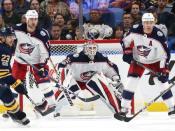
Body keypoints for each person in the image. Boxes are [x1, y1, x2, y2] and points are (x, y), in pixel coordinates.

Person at [114, 13, 175, 121]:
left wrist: (163, 69)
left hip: (155, 61)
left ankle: (172, 108)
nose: (148, 25)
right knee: (131, 82)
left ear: (154, 22)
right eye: (146, 22)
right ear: (142, 22)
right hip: (138, 60)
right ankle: (124, 109)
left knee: (162, 84)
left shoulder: (159, 35)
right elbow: (125, 41)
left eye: (150, 22)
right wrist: (127, 53)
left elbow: (165, 55)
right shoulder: (135, 30)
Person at [54, 40, 123, 117]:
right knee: (62, 93)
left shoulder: (101, 58)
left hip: (93, 82)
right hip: (77, 81)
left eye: (94, 48)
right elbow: (61, 66)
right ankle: (53, 109)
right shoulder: (74, 57)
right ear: (84, 49)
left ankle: (118, 111)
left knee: (107, 91)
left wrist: (115, 78)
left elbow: (111, 68)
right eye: (90, 48)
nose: (92, 50)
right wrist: (59, 77)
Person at [12, 10, 56, 115]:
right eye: (31, 19)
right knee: (14, 84)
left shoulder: (42, 34)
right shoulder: (16, 29)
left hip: (37, 63)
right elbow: (6, 38)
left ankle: (52, 105)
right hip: (20, 61)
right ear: (26, 19)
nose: (33, 21)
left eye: (35, 19)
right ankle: (11, 107)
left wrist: (41, 67)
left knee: (44, 84)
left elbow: (45, 53)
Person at [0, 27, 30, 125]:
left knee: (7, 94)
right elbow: (3, 75)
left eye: (12, 36)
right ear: (2, 38)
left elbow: (5, 69)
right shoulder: (3, 49)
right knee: (5, 92)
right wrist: (16, 83)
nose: (12, 39)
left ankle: (15, 115)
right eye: (9, 37)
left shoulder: (7, 48)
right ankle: (17, 115)